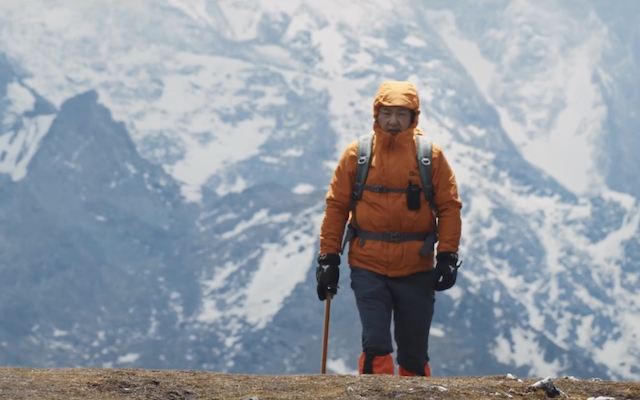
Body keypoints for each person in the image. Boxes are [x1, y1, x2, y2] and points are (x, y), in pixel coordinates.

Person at [316, 80, 463, 376]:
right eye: (387, 113)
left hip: (417, 267)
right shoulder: (356, 156)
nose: (393, 121)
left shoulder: (430, 157)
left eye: (401, 114)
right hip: (368, 266)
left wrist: (447, 255)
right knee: (376, 344)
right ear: (376, 115)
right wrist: (328, 259)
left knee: (413, 353)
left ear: (413, 117)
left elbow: (449, 207)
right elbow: (336, 207)